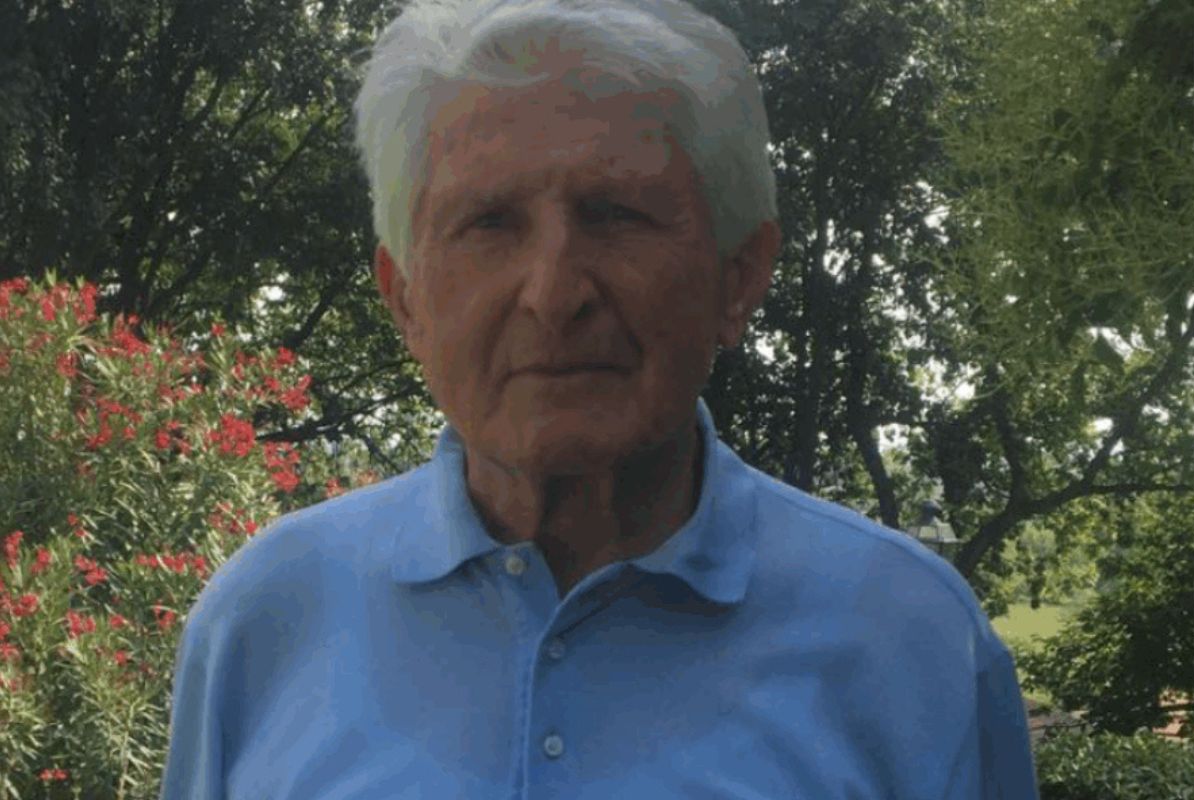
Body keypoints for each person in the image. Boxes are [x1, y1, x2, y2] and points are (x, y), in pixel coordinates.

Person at [159, 0, 1040, 797]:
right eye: (489, 222)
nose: (553, 293)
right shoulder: (266, 619)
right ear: (406, 300)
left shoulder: (910, 638)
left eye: (616, 214)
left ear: (739, 276)